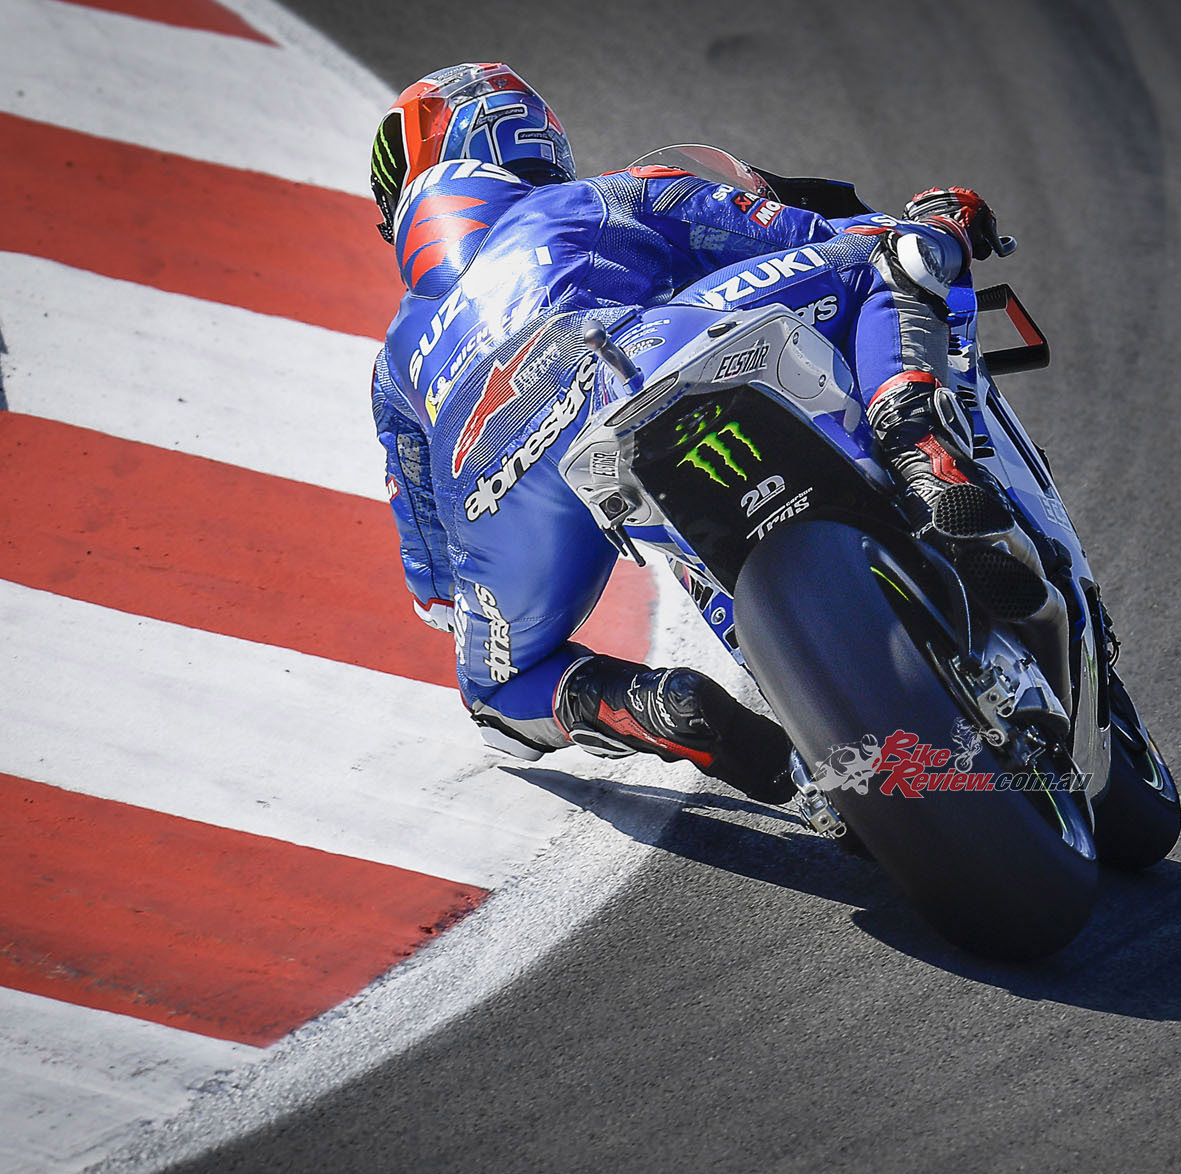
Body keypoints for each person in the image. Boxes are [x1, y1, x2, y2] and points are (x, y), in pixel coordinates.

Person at [369, 62, 1010, 802]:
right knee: (890, 253)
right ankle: (925, 453)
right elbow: (805, 235)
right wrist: (940, 221)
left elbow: (436, 593)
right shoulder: (603, 195)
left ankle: (655, 707)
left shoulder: (393, 362)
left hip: (497, 493)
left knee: (497, 695)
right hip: (635, 355)